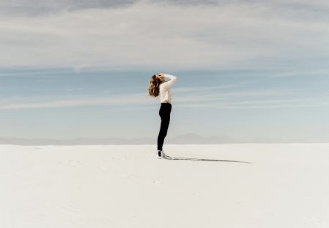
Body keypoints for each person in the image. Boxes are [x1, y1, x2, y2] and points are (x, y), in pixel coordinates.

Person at [148, 73, 177, 158]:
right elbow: (174, 78)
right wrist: (165, 74)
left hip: (165, 108)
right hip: (165, 108)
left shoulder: (162, 86)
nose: (162, 75)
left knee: (163, 132)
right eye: (160, 75)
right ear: (160, 78)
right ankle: (159, 153)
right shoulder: (163, 85)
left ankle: (161, 152)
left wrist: (161, 76)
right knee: (162, 132)